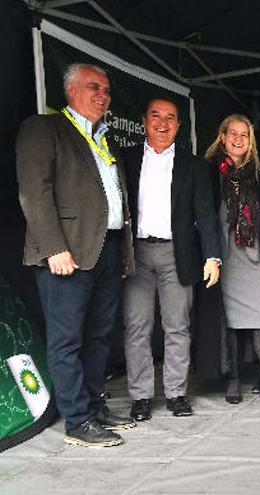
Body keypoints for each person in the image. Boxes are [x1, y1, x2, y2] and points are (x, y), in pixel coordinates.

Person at [16, 63, 136, 447]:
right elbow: (34, 191)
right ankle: (77, 421)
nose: (103, 95)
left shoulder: (106, 138)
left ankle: (94, 405)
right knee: (67, 339)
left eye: (107, 90)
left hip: (107, 251)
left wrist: (121, 253)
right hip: (65, 253)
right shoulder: (44, 128)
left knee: (99, 336)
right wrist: (54, 247)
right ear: (70, 90)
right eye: (93, 87)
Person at [121, 98, 221, 421]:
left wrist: (212, 257)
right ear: (144, 121)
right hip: (135, 253)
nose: (162, 123)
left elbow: (206, 214)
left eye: (170, 118)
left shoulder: (194, 166)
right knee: (137, 326)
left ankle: (176, 393)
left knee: (177, 325)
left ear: (179, 125)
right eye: (156, 116)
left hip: (177, 253)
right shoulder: (127, 159)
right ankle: (141, 397)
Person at [204, 114, 260, 406]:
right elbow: (202, 214)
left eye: (245, 135)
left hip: (254, 256)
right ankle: (233, 378)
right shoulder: (211, 171)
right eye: (233, 134)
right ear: (223, 137)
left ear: (250, 140)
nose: (239, 140)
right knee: (229, 320)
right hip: (223, 256)